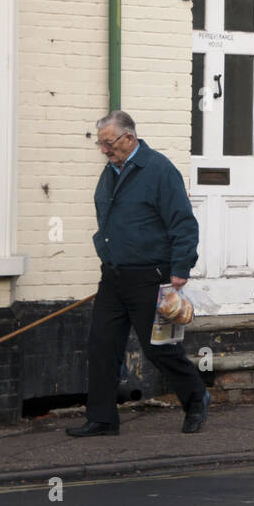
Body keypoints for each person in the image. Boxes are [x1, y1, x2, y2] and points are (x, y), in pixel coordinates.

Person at [66, 110, 211, 437]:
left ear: (129, 138)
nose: (104, 149)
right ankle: (103, 419)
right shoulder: (111, 172)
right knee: (101, 346)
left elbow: (184, 222)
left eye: (109, 143)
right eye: (101, 144)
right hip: (114, 277)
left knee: (159, 348)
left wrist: (179, 268)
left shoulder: (159, 170)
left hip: (150, 277)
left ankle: (197, 397)